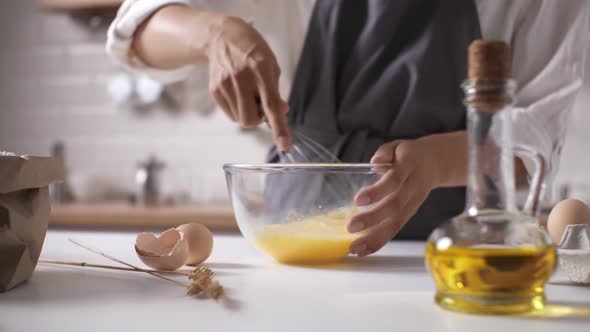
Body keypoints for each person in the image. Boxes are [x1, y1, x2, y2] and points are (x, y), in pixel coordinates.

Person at [107, 0, 588, 257]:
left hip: (448, 263)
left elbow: (535, 138)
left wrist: (435, 162)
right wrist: (214, 34)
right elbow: (136, 26)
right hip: (293, 260)